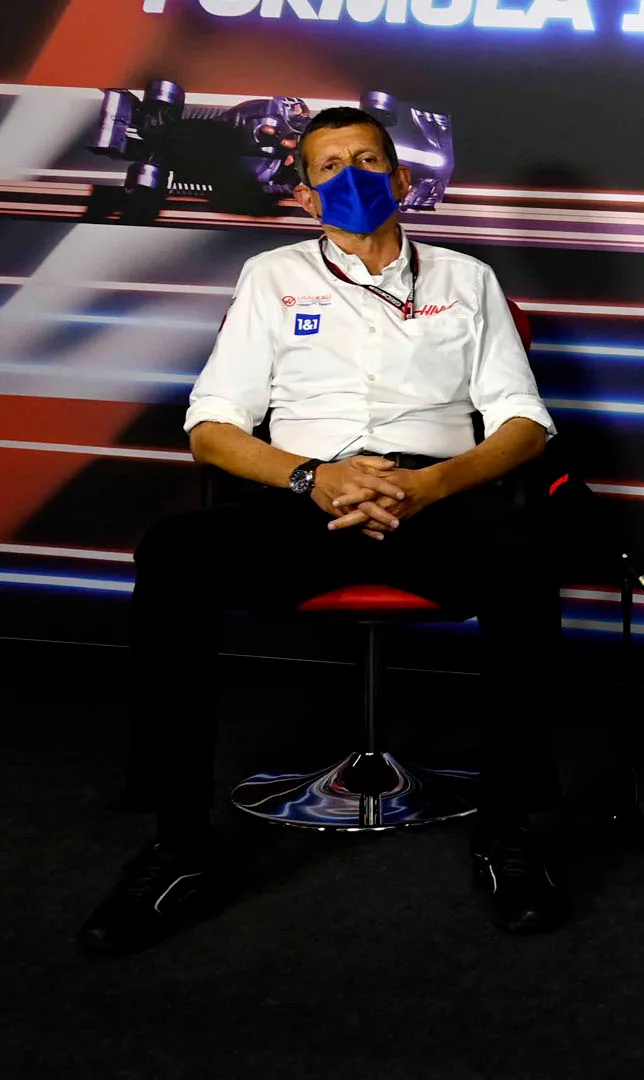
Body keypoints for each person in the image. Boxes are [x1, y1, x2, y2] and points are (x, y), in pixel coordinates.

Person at [79, 107, 567, 954]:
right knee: (173, 555)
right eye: (331, 166)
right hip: (304, 498)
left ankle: (507, 832)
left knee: (526, 556)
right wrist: (312, 478)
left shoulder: (467, 278)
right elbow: (211, 424)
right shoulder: (271, 278)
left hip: (433, 494)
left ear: (403, 178)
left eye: (370, 160)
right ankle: (179, 844)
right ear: (305, 196)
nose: (353, 179)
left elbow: (524, 423)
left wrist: (428, 485)